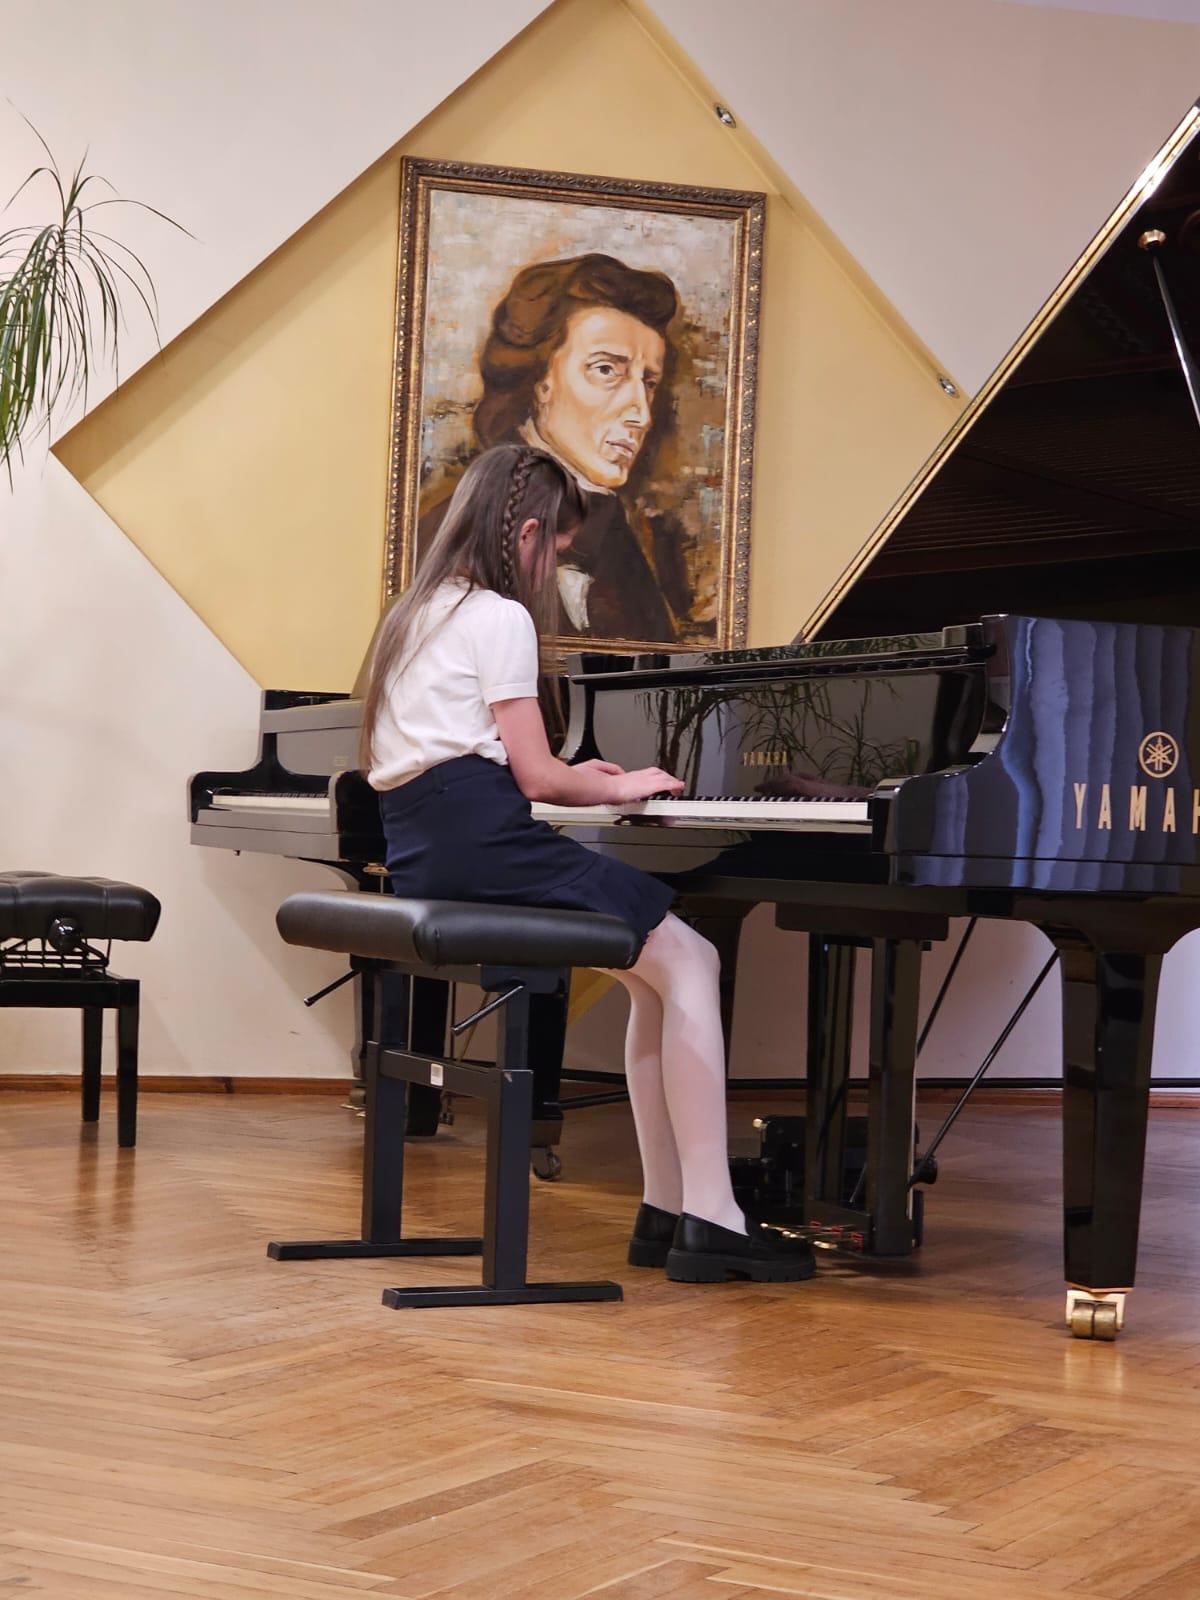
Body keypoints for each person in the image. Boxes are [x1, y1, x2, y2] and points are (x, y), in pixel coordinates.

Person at [361, 443, 814, 1284]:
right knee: (693, 958)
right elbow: (537, 779)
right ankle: (711, 1217)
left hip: (430, 850)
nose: (557, 563)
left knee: (651, 974)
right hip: (487, 850)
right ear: (528, 532)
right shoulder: (499, 616)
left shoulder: (415, 613)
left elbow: (479, 761)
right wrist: (618, 785)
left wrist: (583, 776)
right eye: (559, 547)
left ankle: (665, 1210)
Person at [418, 253, 698, 645]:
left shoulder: (627, 542)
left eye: (648, 383)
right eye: (606, 370)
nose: (641, 414)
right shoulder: (455, 530)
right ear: (540, 382)